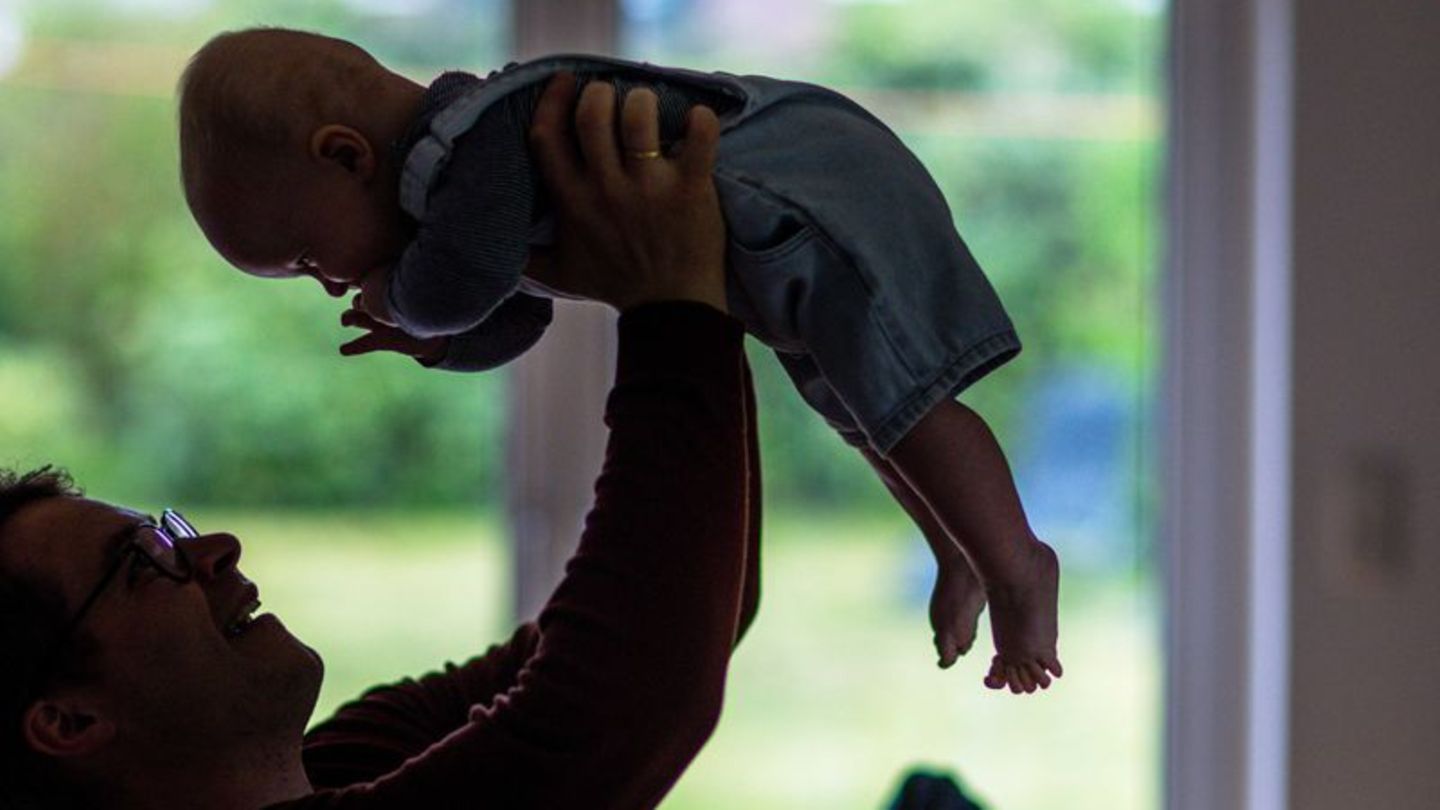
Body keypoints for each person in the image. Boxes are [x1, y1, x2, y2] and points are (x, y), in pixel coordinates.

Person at [178, 27, 1062, 694]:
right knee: (869, 411)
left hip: (808, 191)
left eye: (303, 258)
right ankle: (959, 548)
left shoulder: (475, 140)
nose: (326, 281)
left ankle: (1018, 564)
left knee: (906, 398)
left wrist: (404, 302)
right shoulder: (470, 189)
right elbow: (515, 311)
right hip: (776, 238)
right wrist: (444, 341)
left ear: (346, 155)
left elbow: (469, 277)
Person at [0, 74, 760, 809]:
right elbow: (614, 704)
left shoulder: (347, 760)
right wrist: (676, 307)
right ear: (68, 722)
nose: (217, 548)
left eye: (171, 533)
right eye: (144, 565)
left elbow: (686, 615)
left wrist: (696, 286)